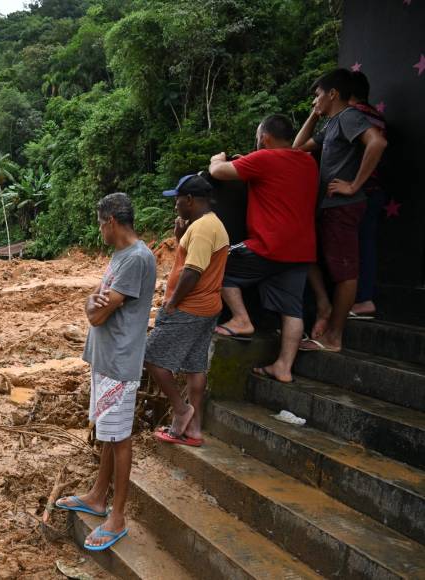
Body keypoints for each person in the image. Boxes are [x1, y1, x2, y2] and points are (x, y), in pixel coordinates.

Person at [55, 192, 156, 552]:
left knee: (120, 438)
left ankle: (117, 516)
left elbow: (97, 313)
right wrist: (91, 304)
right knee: (108, 433)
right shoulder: (119, 257)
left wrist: (94, 307)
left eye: (100, 223)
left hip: (120, 362)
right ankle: (98, 496)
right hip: (105, 358)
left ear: (111, 221)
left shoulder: (137, 260)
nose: (99, 230)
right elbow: (91, 301)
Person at [208, 115, 319, 383]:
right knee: (292, 310)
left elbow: (218, 172)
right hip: (301, 250)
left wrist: (218, 159)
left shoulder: (264, 160)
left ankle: (241, 319)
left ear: (265, 138)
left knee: (219, 264)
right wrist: (249, 160)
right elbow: (277, 177)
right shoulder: (308, 162)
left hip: (269, 244)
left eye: (259, 137)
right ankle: (283, 366)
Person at [293, 68, 387, 352]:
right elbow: (297, 148)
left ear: (333, 94)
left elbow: (378, 142)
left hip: (344, 206)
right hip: (329, 207)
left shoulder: (350, 117)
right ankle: (325, 311)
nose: (315, 100)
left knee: (346, 273)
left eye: (318, 95)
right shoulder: (334, 122)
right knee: (310, 255)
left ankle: (334, 337)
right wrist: (315, 114)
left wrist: (353, 184)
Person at [145, 173, 229, 445]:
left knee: (152, 357)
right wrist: (182, 237)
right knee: (195, 367)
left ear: (190, 200)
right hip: (207, 307)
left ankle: (181, 412)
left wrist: (172, 303)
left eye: (178, 199)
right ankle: (194, 430)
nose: (175, 205)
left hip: (190, 307)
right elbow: (191, 260)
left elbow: (193, 271)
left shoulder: (204, 228)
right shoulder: (208, 225)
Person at [348, 70, 387, 318]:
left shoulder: (355, 115)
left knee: (350, 248)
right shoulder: (377, 115)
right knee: (366, 245)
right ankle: (364, 298)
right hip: (375, 190)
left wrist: (353, 185)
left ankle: (358, 299)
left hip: (358, 192)